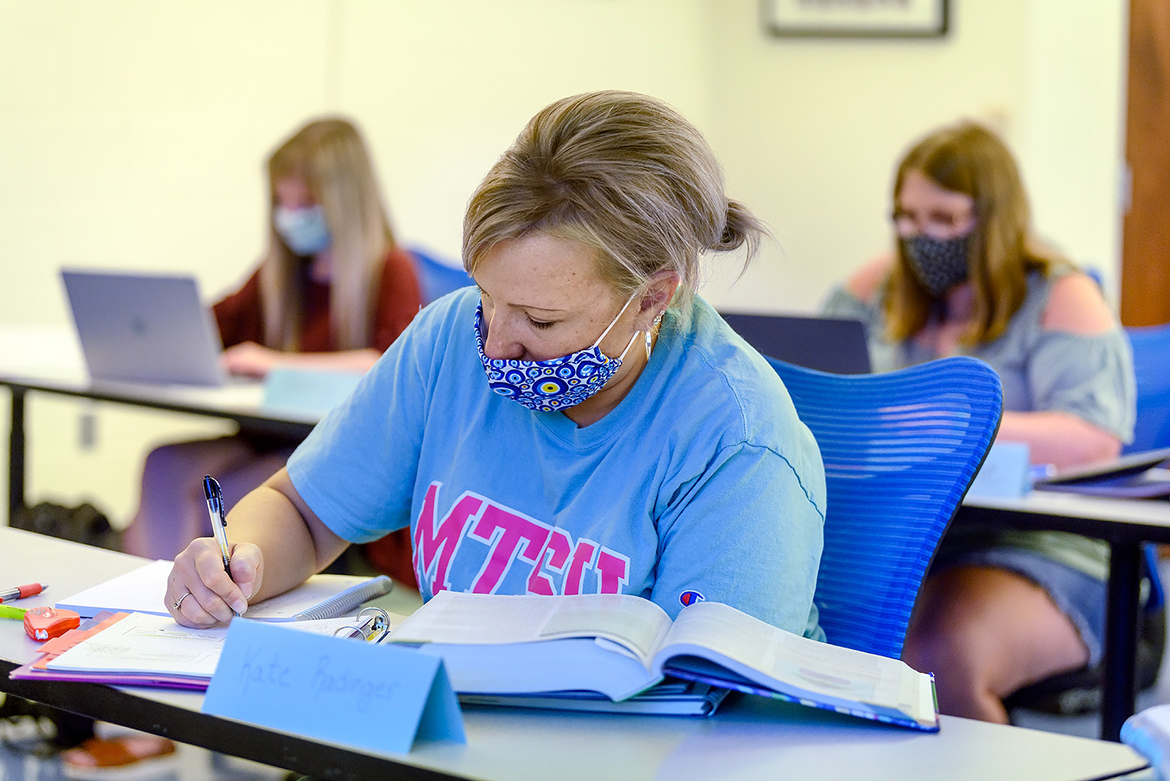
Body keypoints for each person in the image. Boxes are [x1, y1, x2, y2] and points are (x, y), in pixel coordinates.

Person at [163, 90, 827, 642]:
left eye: (539, 321)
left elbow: (715, 705)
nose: (494, 343)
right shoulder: (450, 339)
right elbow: (303, 512)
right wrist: (238, 561)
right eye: (487, 298)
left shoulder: (736, 442)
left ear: (653, 296)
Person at [825, 121, 1137, 724]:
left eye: (944, 220)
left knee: (938, 658)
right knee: (806, 634)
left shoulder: (1059, 295)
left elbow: (1095, 439)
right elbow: (823, 388)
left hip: (1044, 544)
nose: (921, 238)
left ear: (992, 217)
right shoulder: (878, 289)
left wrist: (942, 420)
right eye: (907, 219)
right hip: (907, 537)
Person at [122, 117, 422, 588]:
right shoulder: (281, 273)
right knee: (162, 463)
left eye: (305, 204)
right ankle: (150, 598)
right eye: (284, 203)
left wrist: (272, 361)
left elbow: (387, 363)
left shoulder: (391, 271)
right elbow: (212, 327)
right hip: (261, 433)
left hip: (321, 445)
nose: (291, 216)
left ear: (342, 200)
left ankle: (209, 598)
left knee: (244, 493)